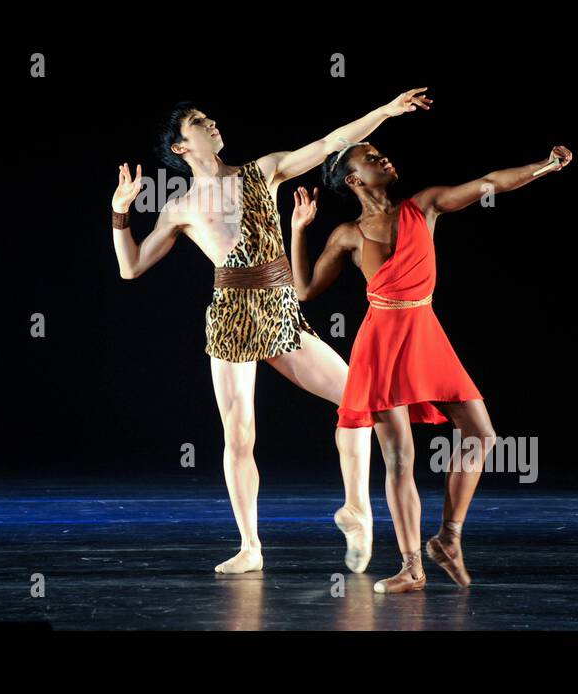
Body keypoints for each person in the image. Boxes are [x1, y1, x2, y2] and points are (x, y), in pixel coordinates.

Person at [110, 92, 432, 574]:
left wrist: (384, 112)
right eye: (200, 121)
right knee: (239, 435)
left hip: (279, 309)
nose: (212, 122)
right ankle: (250, 547)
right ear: (181, 147)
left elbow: (330, 142)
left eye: (209, 115)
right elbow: (130, 268)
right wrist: (119, 214)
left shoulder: (264, 171)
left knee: (360, 400)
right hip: (231, 318)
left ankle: (357, 509)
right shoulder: (181, 206)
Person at [289, 140, 572, 591]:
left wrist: (546, 167)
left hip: (425, 332)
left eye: (382, 151)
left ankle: (448, 539)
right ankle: (412, 568)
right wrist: (299, 228)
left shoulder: (424, 206)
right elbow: (304, 290)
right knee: (400, 458)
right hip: (380, 343)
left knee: (482, 435)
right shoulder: (347, 233)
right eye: (370, 156)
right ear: (353, 178)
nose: (383, 157)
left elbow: (489, 183)